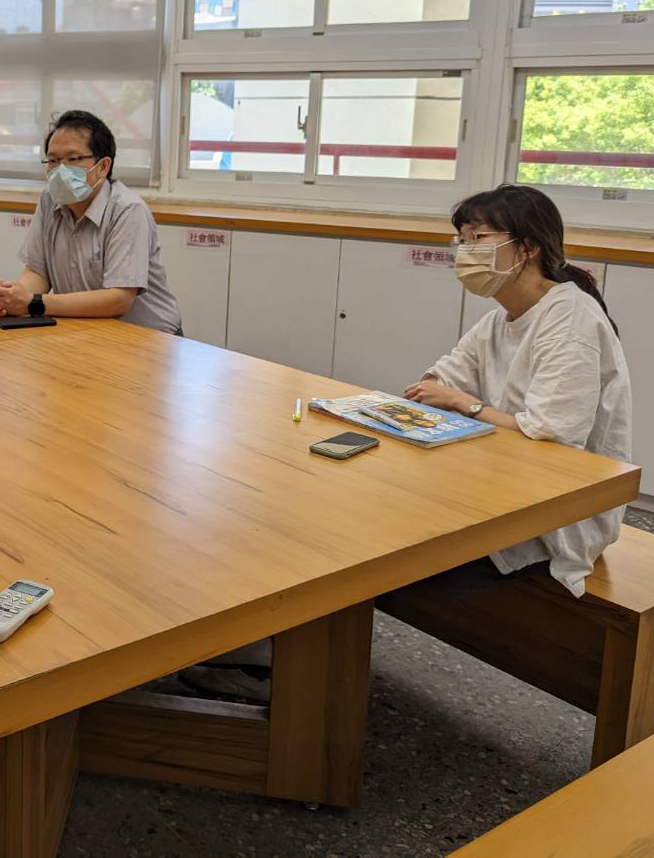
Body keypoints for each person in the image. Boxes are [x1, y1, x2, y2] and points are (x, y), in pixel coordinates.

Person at [182, 183, 631, 702]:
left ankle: (294, 683)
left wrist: (463, 403)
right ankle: (270, 653)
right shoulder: (499, 319)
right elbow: (438, 378)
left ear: (526, 247)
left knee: (349, 539)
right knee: (320, 508)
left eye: (479, 237)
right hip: (491, 483)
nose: (465, 251)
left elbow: (552, 436)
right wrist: (444, 393)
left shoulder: (569, 317)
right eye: (461, 239)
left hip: (552, 514)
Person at [0, 110, 183, 335]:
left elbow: (119, 299)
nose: (61, 169)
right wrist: (11, 298)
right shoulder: (49, 200)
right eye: (53, 161)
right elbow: (38, 273)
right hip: (88, 330)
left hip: (150, 337)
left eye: (73, 159)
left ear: (103, 166)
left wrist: (33, 303)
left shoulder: (127, 210)